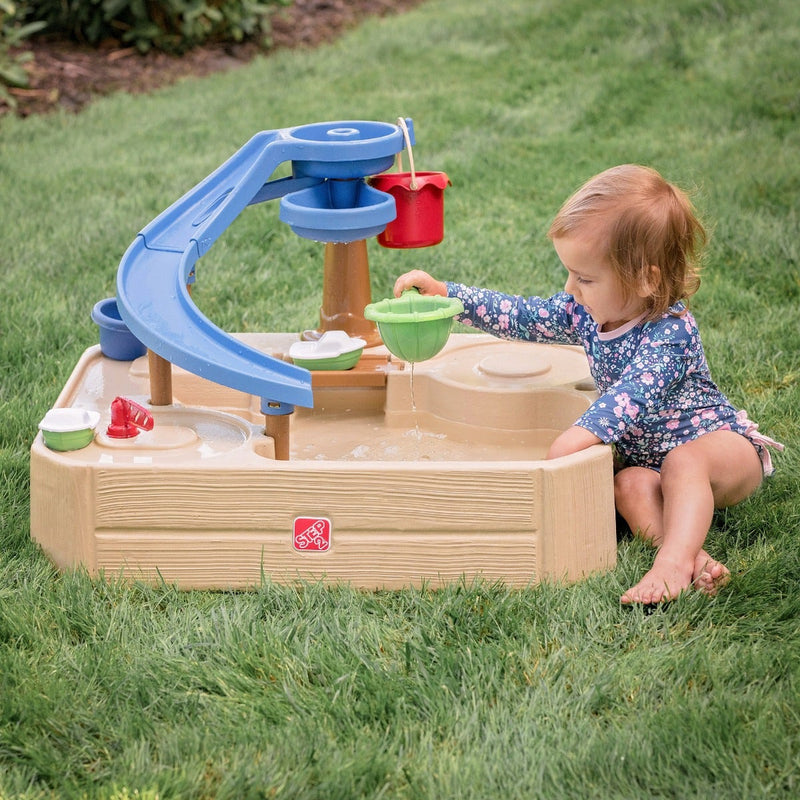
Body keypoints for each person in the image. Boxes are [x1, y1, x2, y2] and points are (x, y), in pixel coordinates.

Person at [393, 164, 783, 605]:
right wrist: (449, 296)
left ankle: (672, 564)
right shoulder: (584, 312)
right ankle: (691, 556)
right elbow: (522, 315)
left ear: (646, 279)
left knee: (683, 461)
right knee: (628, 486)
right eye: (570, 274)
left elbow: (629, 398)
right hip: (652, 465)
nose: (571, 288)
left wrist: (574, 438)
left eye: (585, 278)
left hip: (720, 450)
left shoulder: (670, 332)